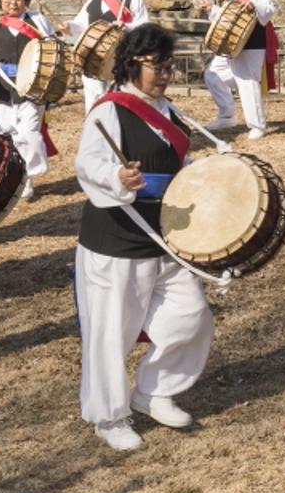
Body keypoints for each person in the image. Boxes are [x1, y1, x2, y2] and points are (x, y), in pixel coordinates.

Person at [72, 24, 214, 453]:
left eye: (169, 66)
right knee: (111, 332)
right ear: (132, 65)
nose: (165, 74)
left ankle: (153, 390)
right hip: (116, 239)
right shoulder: (109, 111)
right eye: (158, 66)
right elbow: (87, 165)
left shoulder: (168, 110)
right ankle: (109, 417)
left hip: (165, 234)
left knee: (191, 315)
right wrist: (117, 176)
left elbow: (175, 160)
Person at [0, 0, 56, 199]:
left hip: (33, 87)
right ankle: (15, 177)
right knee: (6, 134)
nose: (13, 2)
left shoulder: (38, 21)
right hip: (3, 89)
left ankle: (28, 174)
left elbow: (53, 49)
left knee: (28, 132)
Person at [199, 0, 274, 141]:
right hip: (232, 41)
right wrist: (211, 9)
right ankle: (227, 116)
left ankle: (257, 125)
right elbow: (228, 14)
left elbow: (268, 9)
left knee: (248, 81)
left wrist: (253, 4)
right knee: (213, 75)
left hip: (252, 41)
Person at [63, 0, 150, 111]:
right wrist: (69, 27)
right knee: (94, 101)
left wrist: (127, 27)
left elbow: (144, 27)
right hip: (93, 58)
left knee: (120, 100)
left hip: (121, 59)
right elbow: (81, 24)